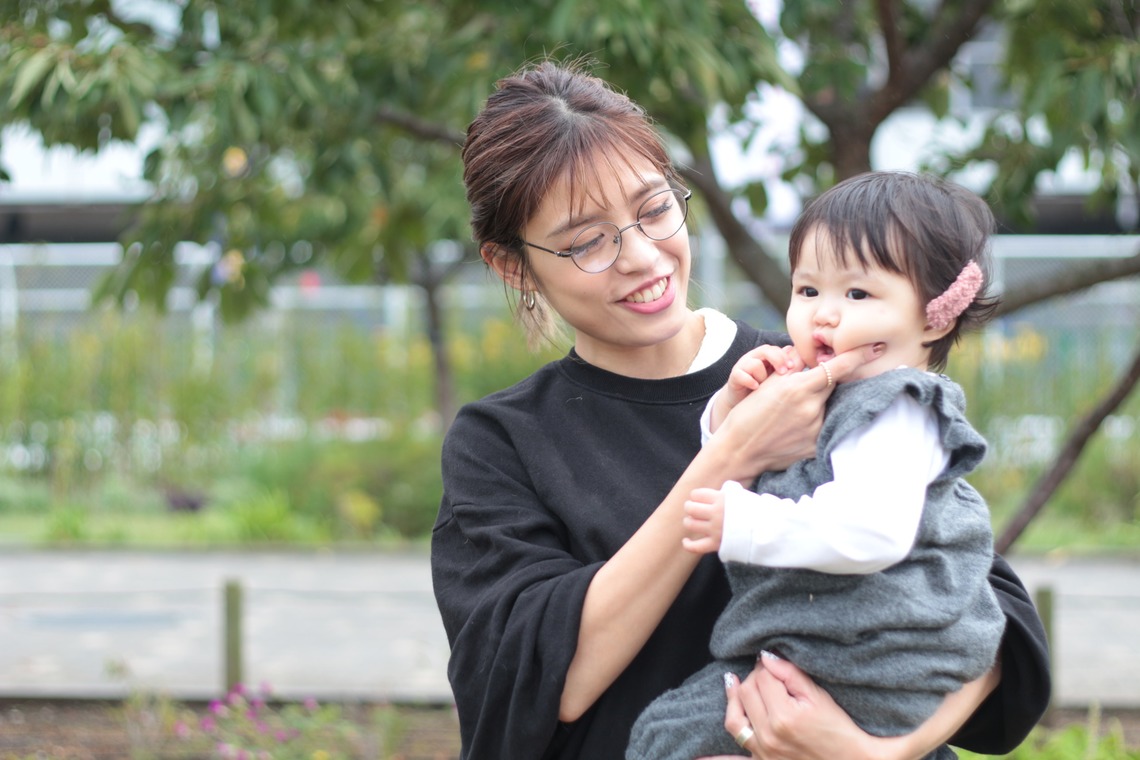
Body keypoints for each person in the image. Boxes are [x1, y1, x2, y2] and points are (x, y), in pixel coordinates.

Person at [431, 60, 1050, 760]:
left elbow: (989, 616)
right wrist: (731, 455)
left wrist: (875, 753)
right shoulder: (502, 443)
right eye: (587, 242)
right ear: (513, 265)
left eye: (654, 209)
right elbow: (539, 681)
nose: (642, 256)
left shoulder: (818, 371)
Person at [627, 171, 1009, 760]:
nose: (824, 315)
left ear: (935, 317)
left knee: (670, 736)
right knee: (672, 733)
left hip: (874, 659)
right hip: (835, 650)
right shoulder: (828, 395)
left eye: (857, 295)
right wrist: (731, 407)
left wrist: (745, 523)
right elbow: (750, 459)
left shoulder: (897, 411)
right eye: (808, 290)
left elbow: (871, 529)